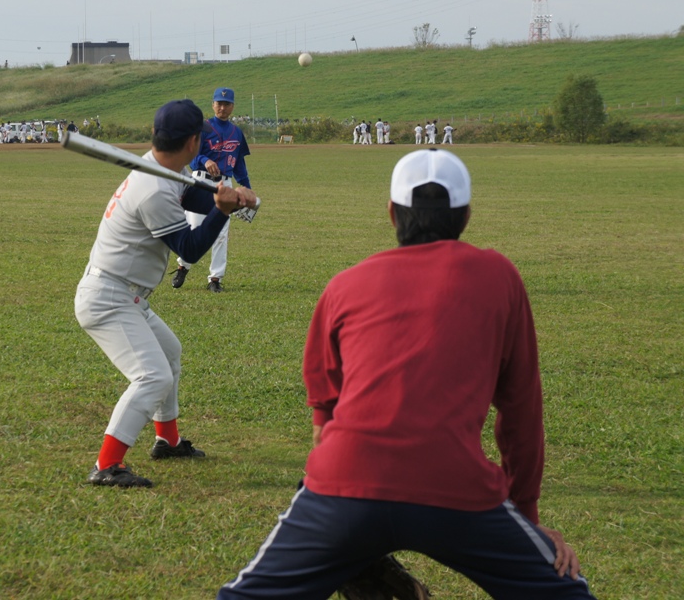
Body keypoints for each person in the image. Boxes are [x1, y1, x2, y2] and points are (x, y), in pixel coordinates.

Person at [219, 149, 596, 599]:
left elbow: (324, 403)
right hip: (458, 492)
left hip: (344, 489)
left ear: (392, 214)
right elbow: (521, 412)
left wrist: (339, 520)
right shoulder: (500, 277)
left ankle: (356, 555)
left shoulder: (345, 284)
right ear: (467, 216)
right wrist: (527, 523)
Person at [76, 99, 257, 487]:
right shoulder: (153, 188)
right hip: (108, 297)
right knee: (151, 377)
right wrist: (222, 211)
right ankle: (107, 465)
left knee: (169, 353)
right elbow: (189, 250)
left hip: (126, 294)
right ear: (193, 142)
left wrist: (232, 197)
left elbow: (193, 197)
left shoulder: (160, 167)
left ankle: (168, 441)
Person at [170, 87, 254, 293]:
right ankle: (183, 266)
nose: (222, 107)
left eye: (226, 104)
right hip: (201, 182)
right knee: (194, 228)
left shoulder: (237, 133)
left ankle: (215, 279)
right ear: (213, 104)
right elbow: (191, 156)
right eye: (219, 103)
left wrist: (248, 190)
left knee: (221, 234)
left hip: (225, 184)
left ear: (232, 107)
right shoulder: (203, 128)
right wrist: (205, 159)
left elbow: (240, 165)